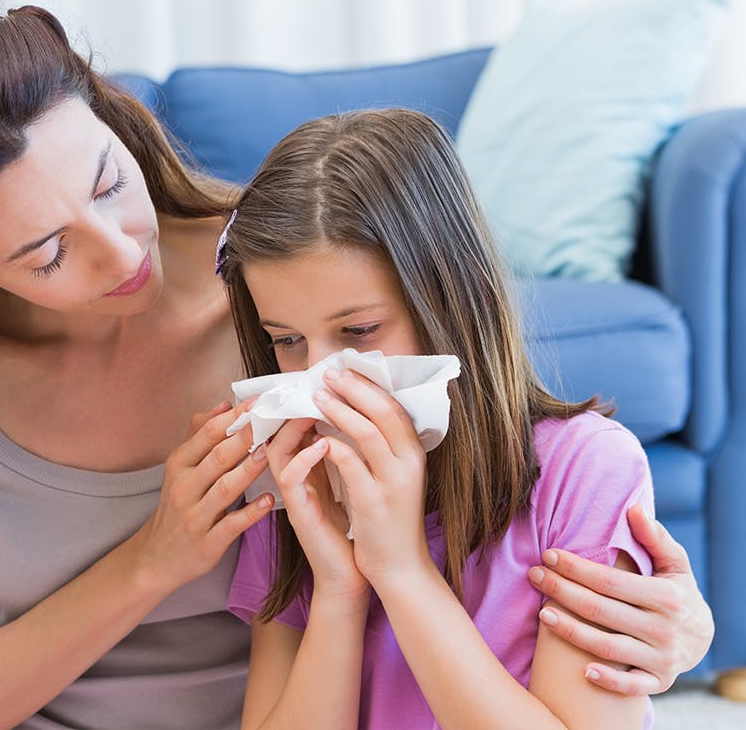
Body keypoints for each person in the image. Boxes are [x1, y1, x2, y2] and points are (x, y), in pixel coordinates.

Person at [0, 6, 710, 730]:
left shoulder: (286, 268)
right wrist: (149, 563)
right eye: (47, 252)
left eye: (106, 181)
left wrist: (674, 630)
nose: (120, 248)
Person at [217, 108, 696, 729]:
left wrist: (401, 570)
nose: (322, 379)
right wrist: (338, 589)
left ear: (451, 303)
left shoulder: (583, 471)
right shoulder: (294, 496)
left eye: (359, 331)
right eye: (287, 339)